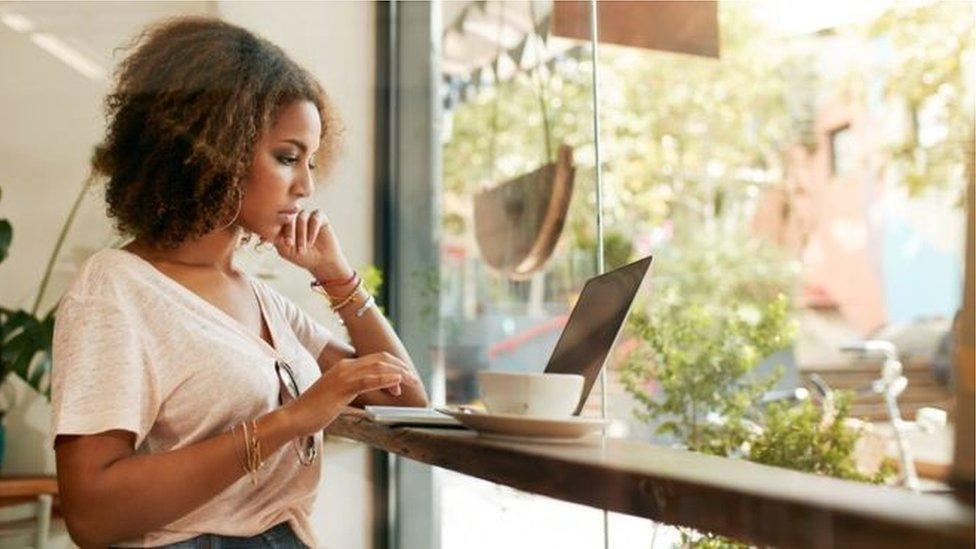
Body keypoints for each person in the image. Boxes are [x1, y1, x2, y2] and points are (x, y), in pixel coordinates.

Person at [50, 16, 428, 548]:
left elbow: (408, 403)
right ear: (213, 149)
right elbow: (92, 515)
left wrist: (338, 278)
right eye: (287, 157)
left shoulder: (261, 299)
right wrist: (292, 420)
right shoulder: (116, 288)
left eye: (312, 161)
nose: (307, 185)